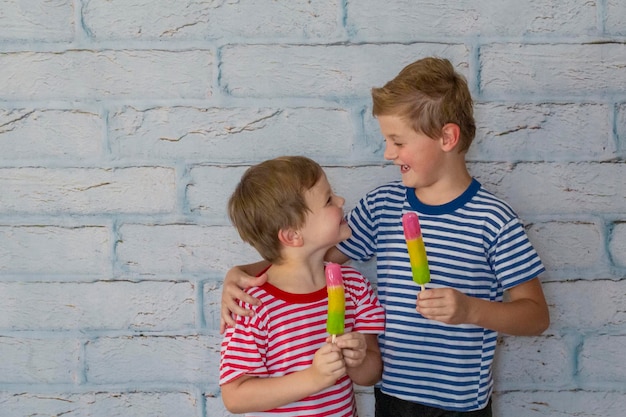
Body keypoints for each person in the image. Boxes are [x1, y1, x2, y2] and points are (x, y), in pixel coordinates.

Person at [221, 58, 550, 416]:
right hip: (392, 394)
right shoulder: (383, 205)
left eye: (397, 141)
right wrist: (245, 272)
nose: (388, 153)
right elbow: (314, 256)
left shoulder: (493, 220)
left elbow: (535, 316)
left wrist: (471, 309)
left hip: (460, 403)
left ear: (447, 137)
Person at [219, 156, 385, 416]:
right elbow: (235, 397)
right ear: (293, 235)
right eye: (329, 200)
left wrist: (358, 359)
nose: (341, 202)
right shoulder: (252, 305)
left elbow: (371, 375)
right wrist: (313, 377)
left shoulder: (354, 287)